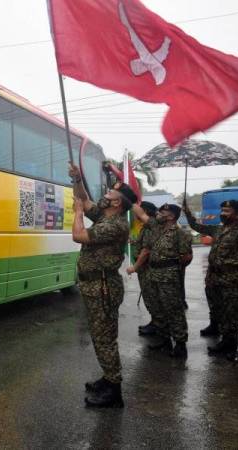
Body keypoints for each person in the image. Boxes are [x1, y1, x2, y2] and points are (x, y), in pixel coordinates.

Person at [69, 164, 136, 408]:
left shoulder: (115, 224)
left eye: (111, 194)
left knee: (104, 337)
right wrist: (77, 179)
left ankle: (114, 391)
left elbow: (79, 235)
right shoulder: (105, 215)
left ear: (117, 204)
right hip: (95, 286)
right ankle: (108, 379)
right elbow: (84, 200)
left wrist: (77, 213)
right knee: (100, 336)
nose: (106, 194)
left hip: (103, 287)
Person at [184, 199, 238, 358]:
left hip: (233, 279)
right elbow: (197, 227)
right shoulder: (219, 230)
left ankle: (235, 346)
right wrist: (187, 213)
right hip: (216, 278)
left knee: (233, 314)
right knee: (220, 311)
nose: (222, 214)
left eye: (227, 211)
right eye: (222, 210)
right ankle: (226, 340)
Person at [132, 203, 193, 358]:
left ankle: (180, 345)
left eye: (162, 211)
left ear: (171, 216)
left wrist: (173, 267)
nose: (158, 213)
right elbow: (140, 213)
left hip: (169, 276)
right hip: (153, 274)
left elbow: (186, 257)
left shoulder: (181, 233)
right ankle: (165, 340)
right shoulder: (156, 228)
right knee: (158, 309)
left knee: (174, 310)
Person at [126, 201, 161, 337]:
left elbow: (146, 250)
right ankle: (155, 322)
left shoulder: (149, 228)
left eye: (137, 213)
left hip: (147, 269)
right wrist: (132, 241)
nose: (134, 215)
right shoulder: (146, 227)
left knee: (151, 297)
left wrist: (134, 267)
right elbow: (143, 244)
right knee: (149, 296)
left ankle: (157, 325)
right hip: (145, 269)